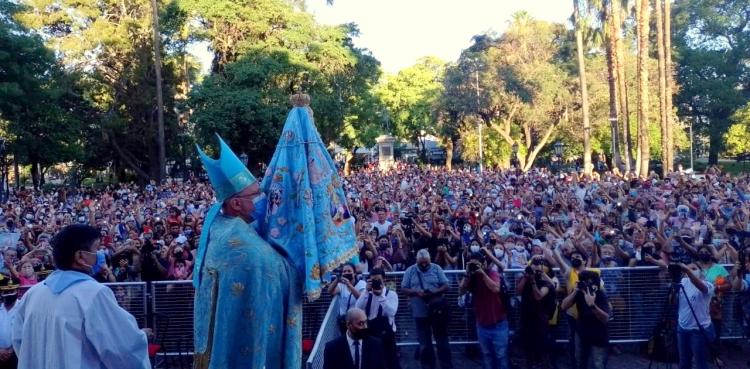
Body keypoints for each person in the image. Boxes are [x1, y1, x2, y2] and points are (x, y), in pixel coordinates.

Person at [193, 135, 301, 369]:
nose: (262, 200)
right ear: (236, 204)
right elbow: (277, 270)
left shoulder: (222, 226)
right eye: (255, 195)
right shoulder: (238, 240)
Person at [11, 224, 150, 369]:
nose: (101, 254)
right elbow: (123, 350)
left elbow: (20, 341)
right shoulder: (94, 294)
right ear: (80, 256)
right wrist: (140, 336)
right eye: (96, 249)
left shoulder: (33, 293)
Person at [401, 249, 452, 369]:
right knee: (424, 343)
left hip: (437, 312)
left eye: (426, 262)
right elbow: (403, 288)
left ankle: (446, 365)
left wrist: (434, 292)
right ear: (416, 261)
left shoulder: (436, 268)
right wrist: (416, 292)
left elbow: (446, 285)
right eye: (421, 263)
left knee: (442, 340)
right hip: (419, 312)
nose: (424, 264)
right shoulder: (410, 271)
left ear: (430, 260)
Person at [459, 253, 509, 369]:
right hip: (482, 324)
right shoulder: (471, 277)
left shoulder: (492, 273)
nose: (475, 267)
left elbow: (495, 288)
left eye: (477, 264)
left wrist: (482, 273)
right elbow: (461, 291)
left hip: (498, 323)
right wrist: (467, 274)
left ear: (483, 263)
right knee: (487, 355)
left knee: (501, 356)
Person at [560, 270, 610, 369]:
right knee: (579, 361)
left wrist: (592, 306)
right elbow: (563, 306)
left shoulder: (600, 294)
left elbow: (605, 318)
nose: (586, 285)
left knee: (598, 364)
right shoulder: (579, 293)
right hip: (581, 332)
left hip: (598, 334)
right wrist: (575, 291)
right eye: (583, 282)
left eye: (588, 282)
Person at [516, 256, 557, 369]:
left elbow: (538, 296)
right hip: (526, 317)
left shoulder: (545, 282)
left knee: (542, 348)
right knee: (526, 349)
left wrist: (534, 280)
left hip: (540, 319)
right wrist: (526, 276)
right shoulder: (524, 278)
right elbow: (518, 292)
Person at [355, 268, 399, 369]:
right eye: (373, 280)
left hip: (386, 333)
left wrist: (381, 297)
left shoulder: (391, 294)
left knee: (390, 361)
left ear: (384, 279)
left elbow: (392, 312)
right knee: (372, 361)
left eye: (378, 280)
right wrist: (366, 291)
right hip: (369, 331)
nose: (375, 282)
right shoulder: (367, 294)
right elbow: (357, 308)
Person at [675, 262, 715, 369]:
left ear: (701, 272)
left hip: (699, 329)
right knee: (683, 361)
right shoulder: (683, 282)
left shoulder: (708, 284)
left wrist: (687, 271)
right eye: (688, 268)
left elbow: (701, 287)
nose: (690, 270)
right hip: (682, 327)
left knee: (700, 362)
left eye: (694, 268)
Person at [329, 263, 367, 334]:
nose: (347, 273)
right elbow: (330, 291)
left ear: (354, 273)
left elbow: (361, 298)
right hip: (345, 320)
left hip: (358, 318)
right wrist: (337, 279)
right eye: (344, 271)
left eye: (349, 271)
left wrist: (349, 285)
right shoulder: (341, 285)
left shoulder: (362, 284)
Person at [0, 283, 18, 369]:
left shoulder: (23, 308)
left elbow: (26, 332)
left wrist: (11, 350)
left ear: (17, 291)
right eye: (6, 292)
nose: (9, 294)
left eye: (11, 291)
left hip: (17, 353)